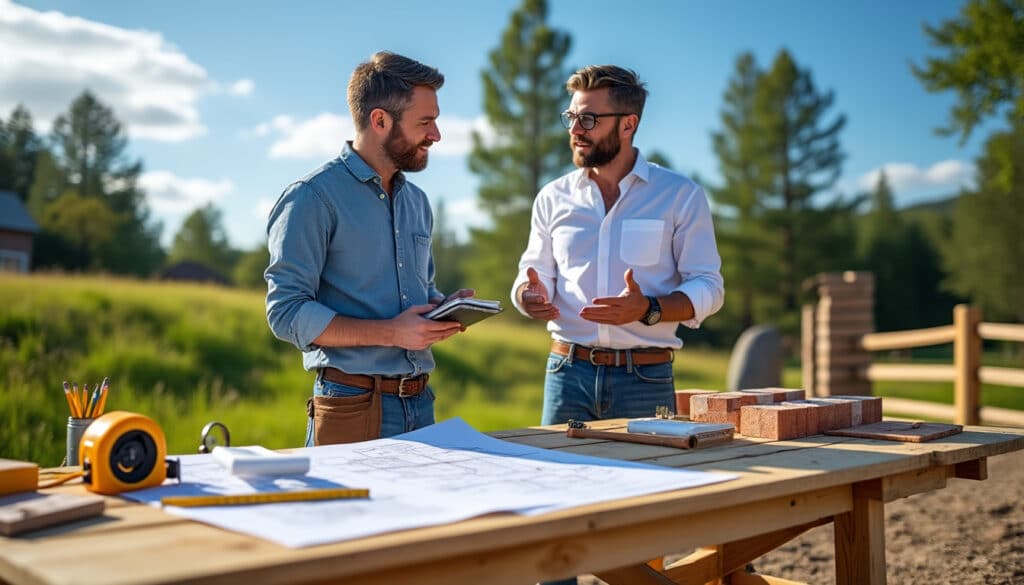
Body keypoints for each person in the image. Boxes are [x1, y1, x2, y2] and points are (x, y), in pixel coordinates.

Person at [266, 51, 471, 446]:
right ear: (380, 120)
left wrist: (442, 309)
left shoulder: (418, 203)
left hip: (421, 403)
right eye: (425, 122)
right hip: (351, 406)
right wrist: (393, 333)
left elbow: (419, 294)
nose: (436, 135)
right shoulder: (312, 198)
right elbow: (285, 311)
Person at [511, 65, 725, 429]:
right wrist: (528, 295)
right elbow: (534, 272)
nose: (576, 130)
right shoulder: (552, 197)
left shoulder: (679, 195)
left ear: (628, 124)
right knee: (559, 483)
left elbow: (709, 286)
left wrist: (649, 308)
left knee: (649, 486)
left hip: (644, 379)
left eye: (589, 119)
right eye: (572, 117)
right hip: (566, 374)